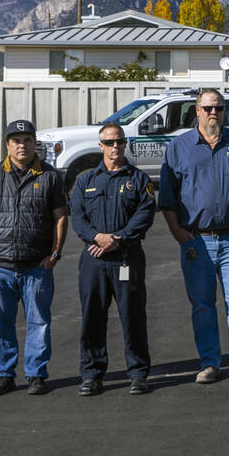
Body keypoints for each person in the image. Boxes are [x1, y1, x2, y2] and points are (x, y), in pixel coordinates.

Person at [158, 88, 229, 384]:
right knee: (203, 304)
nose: (213, 112)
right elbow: (167, 198)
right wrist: (179, 234)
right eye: (207, 108)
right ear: (197, 110)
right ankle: (210, 363)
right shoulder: (179, 147)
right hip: (196, 242)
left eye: (218, 107)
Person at [0, 119, 69, 396]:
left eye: (27, 140)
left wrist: (54, 255)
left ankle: (36, 374)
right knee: (1, 325)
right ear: (7, 145)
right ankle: (3, 375)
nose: (22, 145)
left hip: (36, 266)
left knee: (38, 323)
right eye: (16, 140)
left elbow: (61, 219)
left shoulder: (50, 176)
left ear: (34, 143)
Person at [69, 122, 156, 396]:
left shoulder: (139, 180)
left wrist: (116, 238)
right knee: (92, 318)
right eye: (109, 142)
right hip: (94, 259)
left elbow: (145, 215)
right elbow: (78, 217)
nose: (114, 146)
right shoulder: (86, 181)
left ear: (125, 143)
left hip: (126, 257)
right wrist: (98, 238)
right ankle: (92, 375)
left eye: (119, 141)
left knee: (132, 316)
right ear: (100, 146)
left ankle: (138, 373)